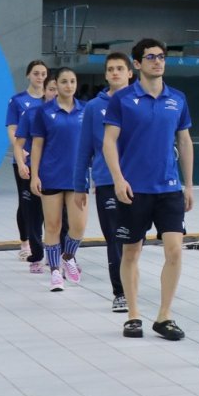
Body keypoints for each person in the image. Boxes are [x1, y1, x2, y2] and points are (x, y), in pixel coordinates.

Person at [103, 38, 194, 341]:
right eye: (151, 57)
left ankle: (164, 316)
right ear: (137, 64)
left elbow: (184, 141)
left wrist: (188, 185)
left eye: (161, 56)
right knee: (131, 251)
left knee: (175, 250)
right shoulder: (122, 99)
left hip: (168, 188)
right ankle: (133, 315)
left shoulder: (177, 98)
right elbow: (109, 142)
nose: (158, 61)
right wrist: (118, 179)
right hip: (134, 189)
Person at [76, 52, 134, 313]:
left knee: (134, 239)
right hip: (107, 181)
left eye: (120, 68)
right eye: (110, 69)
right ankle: (120, 292)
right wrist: (79, 185)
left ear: (130, 73)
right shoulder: (93, 107)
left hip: (139, 181)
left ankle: (131, 283)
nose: (115, 73)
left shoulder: (140, 102)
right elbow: (84, 149)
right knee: (115, 237)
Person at [28, 67, 89, 293]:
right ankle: (55, 272)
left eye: (72, 81)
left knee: (78, 226)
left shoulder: (86, 110)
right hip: (51, 175)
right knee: (53, 225)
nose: (68, 85)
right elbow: (37, 145)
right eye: (64, 81)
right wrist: (35, 175)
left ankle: (68, 256)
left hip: (77, 177)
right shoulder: (44, 112)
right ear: (57, 84)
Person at [15, 77, 63, 275]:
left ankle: (60, 255)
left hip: (58, 174)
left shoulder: (70, 114)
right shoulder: (32, 113)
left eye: (57, 89)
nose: (55, 93)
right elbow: (18, 143)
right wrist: (21, 164)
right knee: (33, 216)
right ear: (45, 91)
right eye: (51, 89)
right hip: (33, 172)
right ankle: (36, 255)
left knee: (60, 218)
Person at [6, 60, 48, 263]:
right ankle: (25, 243)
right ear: (28, 75)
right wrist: (20, 151)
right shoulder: (18, 101)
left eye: (43, 74)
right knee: (26, 202)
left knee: (47, 203)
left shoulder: (50, 99)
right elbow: (12, 128)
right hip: (24, 160)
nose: (40, 77)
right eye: (36, 73)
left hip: (46, 161)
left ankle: (46, 243)